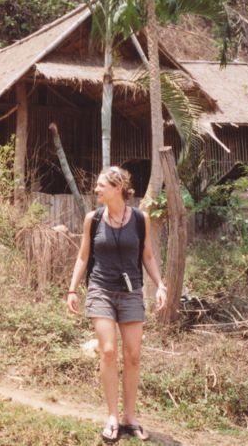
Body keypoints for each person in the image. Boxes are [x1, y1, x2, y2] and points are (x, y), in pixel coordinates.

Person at [66, 166, 167, 443]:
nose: (96, 189)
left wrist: (160, 284)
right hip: (101, 290)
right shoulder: (93, 219)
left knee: (133, 355)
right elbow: (83, 257)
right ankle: (112, 417)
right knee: (109, 351)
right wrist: (72, 289)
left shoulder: (139, 219)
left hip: (131, 292)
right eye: (97, 185)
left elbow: (147, 256)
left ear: (118, 188)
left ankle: (129, 418)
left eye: (101, 185)